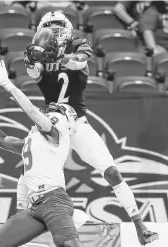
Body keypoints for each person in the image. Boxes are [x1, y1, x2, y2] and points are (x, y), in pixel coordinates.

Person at [23, 11, 159, 246]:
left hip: (77, 122)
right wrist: (35, 58)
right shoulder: (38, 51)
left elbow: (80, 62)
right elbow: (32, 72)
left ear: (67, 27)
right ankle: (23, 225)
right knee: (32, 175)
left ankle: (140, 225)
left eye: (58, 25)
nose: (54, 30)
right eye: (50, 26)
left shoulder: (78, 44)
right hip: (53, 123)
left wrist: (59, 57)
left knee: (112, 172)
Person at [0, 57, 89, 247]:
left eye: (55, 112)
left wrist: (7, 84)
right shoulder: (33, 141)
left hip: (53, 200)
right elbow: (3, 140)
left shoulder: (54, 133)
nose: (49, 112)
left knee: (70, 245)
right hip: (35, 207)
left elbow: (30, 109)